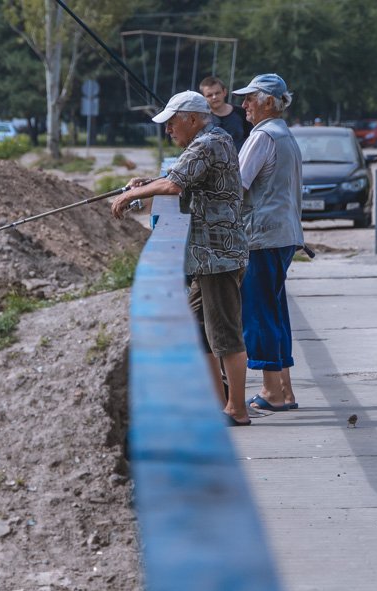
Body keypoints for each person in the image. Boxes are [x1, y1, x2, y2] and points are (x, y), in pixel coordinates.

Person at [111, 91, 251, 426]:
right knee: (195, 328)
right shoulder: (207, 141)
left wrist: (131, 194)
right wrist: (146, 184)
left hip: (218, 256)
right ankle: (215, 403)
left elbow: (174, 185)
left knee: (225, 334)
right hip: (205, 256)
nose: (168, 130)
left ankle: (238, 409)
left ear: (191, 118)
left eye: (172, 122)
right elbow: (180, 177)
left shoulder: (207, 143)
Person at [232, 73, 305, 413]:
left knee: (259, 314)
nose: (243, 105)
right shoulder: (286, 135)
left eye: (249, 98)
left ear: (268, 102)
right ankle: (285, 390)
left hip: (261, 236)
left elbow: (236, 185)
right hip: (284, 235)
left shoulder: (261, 137)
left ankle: (271, 391)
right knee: (275, 313)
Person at [199, 75, 251, 148]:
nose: (214, 97)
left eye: (217, 93)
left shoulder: (242, 113)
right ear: (203, 98)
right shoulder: (201, 119)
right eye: (209, 95)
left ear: (224, 92)